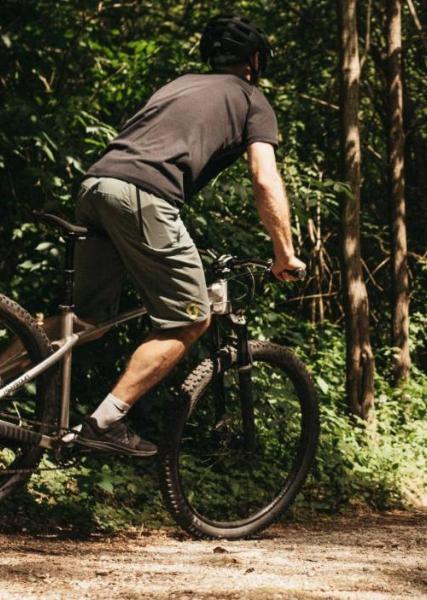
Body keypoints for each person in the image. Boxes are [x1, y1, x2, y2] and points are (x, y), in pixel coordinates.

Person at [51, 14, 304, 456]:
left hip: (96, 186)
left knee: (84, 322)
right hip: (145, 196)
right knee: (190, 317)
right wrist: (284, 253)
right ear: (256, 60)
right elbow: (265, 178)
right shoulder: (251, 97)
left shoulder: (179, 84)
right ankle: (105, 423)